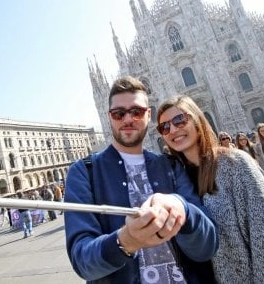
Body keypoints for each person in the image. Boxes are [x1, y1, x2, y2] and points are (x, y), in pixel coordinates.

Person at [64, 76, 218, 283]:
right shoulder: (84, 172)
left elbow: (207, 247)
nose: (128, 119)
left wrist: (183, 208)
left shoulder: (171, 166)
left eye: (136, 112)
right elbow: (82, 261)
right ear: (109, 117)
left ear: (149, 115)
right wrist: (126, 240)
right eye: (119, 113)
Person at [157, 96, 264, 283]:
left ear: (197, 120)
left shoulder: (235, 164)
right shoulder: (173, 178)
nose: (173, 129)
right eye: (164, 127)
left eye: (179, 120)